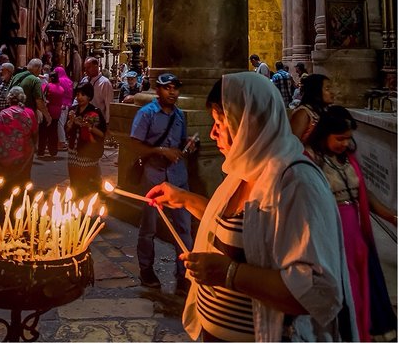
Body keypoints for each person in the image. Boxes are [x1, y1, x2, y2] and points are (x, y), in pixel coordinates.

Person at [147, 72, 356, 342]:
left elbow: (317, 290)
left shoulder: (297, 184)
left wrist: (229, 273)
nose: (212, 133)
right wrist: (185, 199)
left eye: (220, 123)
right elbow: (245, 228)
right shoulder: (244, 171)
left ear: (250, 123)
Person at [306, 105, 397, 341]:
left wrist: (392, 217)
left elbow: (363, 193)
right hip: (333, 231)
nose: (345, 143)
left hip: (356, 231)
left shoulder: (347, 159)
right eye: (340, 138)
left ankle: (362, 330)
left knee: (360, 282)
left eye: (348, 138)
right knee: (345, 286)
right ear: (325, 133)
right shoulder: (311, 160)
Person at [130, 72, 195, 294]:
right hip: (153, 176)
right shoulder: (146, 114)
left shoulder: (179, 116)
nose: (172, 92)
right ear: (157, 90)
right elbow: (135, 146)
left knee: (183, 227)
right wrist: (160, 151)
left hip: (177, 177)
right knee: (148, 226)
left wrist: (188, 145)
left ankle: (184, 274)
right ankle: (146, 269)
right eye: (168, 88)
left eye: (175, 88)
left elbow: (180, 142)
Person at [0, 86, 38, 194]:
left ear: (9, 99)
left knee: (4, 187)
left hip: (4, 156)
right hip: (23, 155)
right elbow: (34, 133)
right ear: (23, 98)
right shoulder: (29, 113)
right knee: (22, 184)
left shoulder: (3, 114)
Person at [65, 82, 106, 198]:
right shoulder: (73, 110)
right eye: (77, 94)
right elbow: (67, 131)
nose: (79, 97)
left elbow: (102, 133)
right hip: (73, 152)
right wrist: (71, 121)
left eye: (83, 94)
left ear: (89, 96)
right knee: (75, 181)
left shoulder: (95, 112)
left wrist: (88, 126)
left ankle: (88, 206)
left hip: (87, 153)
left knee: (88, 183)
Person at [290, 72, 335, 144]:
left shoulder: (323, 110)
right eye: (327, 89)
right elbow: (293, 144)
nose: (332, 92)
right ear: (316, 91)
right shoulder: (303, 113)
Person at [7, 58, 52, 127]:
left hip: (12, 115)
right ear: (37, 68)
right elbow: (39, 102)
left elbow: (8, 93)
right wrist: (47, 116)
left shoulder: (16, 76)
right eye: (40, 69)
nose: (40, 71)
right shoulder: (35, 80)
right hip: (27, 117)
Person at [79, 56, 114, 125]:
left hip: (98, 120)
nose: (86, 70)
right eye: (85, 68)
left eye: (88, 67)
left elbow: (108, 105)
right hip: (84, 119)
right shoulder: (84, 80)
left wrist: (107, 122)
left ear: (96, 66)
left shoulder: (105, 83)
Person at [37, 70, 64, 158]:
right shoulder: (61, 89)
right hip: (57, 112)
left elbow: (43, 96)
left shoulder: (48, 86)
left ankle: (41, 151)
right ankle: (53, 151)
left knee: (43, 132)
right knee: (53, 132)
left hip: (48, 111)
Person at [54, 65, 73, 151]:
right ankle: (61, 141)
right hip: (67, 104)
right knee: (63, 122)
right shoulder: (68, 80)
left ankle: (62, 142)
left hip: (61, 104)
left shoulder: (60, 80)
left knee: (60, 123)